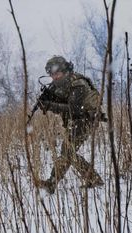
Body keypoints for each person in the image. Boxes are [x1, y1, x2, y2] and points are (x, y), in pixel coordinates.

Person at [37, 55, 105, 194]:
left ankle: (53, 182)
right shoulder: (60, 85)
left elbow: (74, 109)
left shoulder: (78, 84)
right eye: (52, 74)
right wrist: (46, 98)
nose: (55, 77)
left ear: (65, 70)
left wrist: (50, 105)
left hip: (85, 120)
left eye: (57, 73)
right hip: (75, 121)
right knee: (68, 152)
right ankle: (92, 179)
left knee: (68, 152)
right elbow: (62, 101)